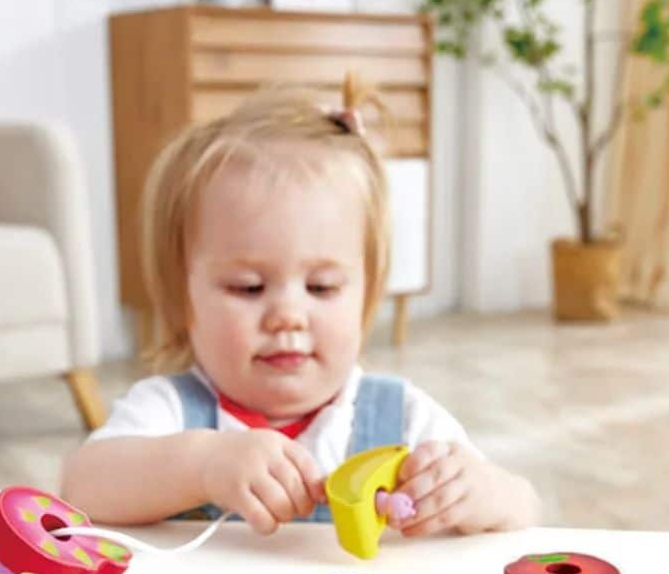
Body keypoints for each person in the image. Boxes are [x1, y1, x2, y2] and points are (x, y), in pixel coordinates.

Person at [62, 76, 539, 537]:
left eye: (322, 287)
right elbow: (81, 488)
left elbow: (524, 509)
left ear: (366, 296)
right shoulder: (171, 410)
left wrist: (478, 492)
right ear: (182, 298)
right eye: (249, 288)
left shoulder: (402, 418)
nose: (287, 315)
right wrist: (204, 465)